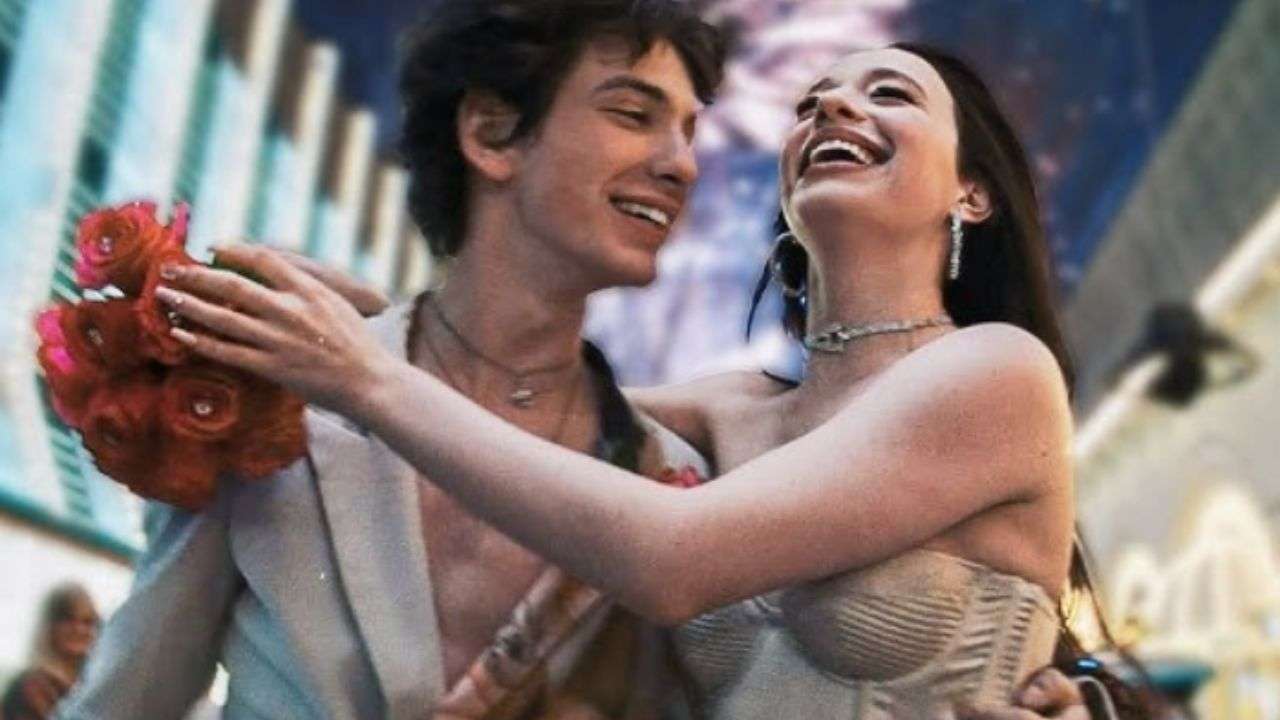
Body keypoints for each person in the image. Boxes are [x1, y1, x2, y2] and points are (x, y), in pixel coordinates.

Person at [154, 32, 1114, 719]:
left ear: (971, 193)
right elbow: (508, 402)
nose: (831, 107)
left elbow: (671, 559)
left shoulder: (996, 374)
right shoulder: (731, 407)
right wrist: (363, 316)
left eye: (890, 94)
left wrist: (362, 373)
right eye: (812, 102)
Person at [57, 2, 723, 718]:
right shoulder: (268, 393)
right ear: (490, 132)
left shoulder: (668, 478)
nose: (681, 165)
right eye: (633, 114)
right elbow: (130, 697)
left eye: (690, 133)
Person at [3, 584, 99, 720]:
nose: (79, 629)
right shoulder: (31, 687)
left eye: (87, 622)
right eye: (68, 619)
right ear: (50, 626)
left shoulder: (94, 685)